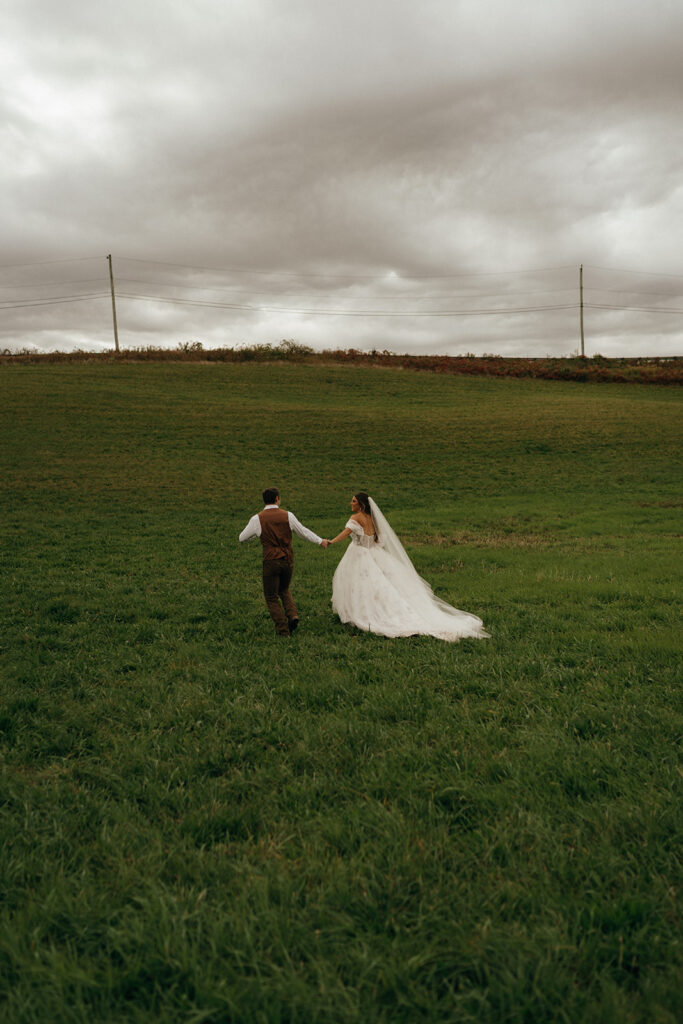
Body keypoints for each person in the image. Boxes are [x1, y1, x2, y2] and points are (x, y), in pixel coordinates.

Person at [325, 492, 490, 642]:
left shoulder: (356, 518)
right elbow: (380, 539)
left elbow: (346, 533)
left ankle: (361, 613)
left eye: (354, 501)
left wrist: (331, 541)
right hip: (374, 553)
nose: (351, 503)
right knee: (378, 585)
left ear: (361, 504)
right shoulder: (372, 518)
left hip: (359, 553)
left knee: (359, 584)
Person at [239, 488, 328, 637]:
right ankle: (292, 615)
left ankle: (283, 629)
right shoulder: (288, 515)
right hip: (287, 558)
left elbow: (242, 538)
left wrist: (256, 535)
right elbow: (303, 532)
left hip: (271, 560)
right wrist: (320, 541)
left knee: (271, 596)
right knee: (284, 589)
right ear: (277, 499)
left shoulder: (257, 519)